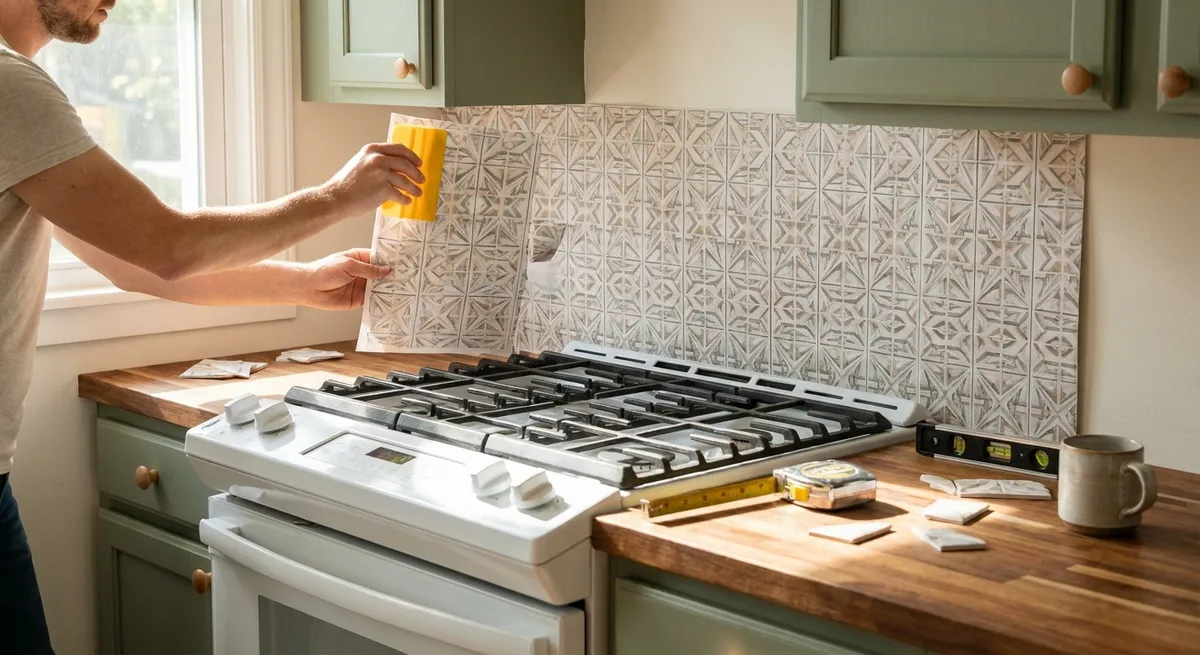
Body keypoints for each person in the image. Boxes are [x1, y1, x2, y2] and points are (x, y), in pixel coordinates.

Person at [0, 1, 427, 651]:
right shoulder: (11, 86)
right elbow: (165, 244)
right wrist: (337, 197)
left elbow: (131, 263)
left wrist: (301, 282)